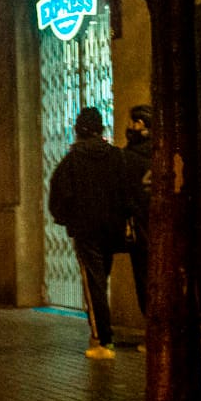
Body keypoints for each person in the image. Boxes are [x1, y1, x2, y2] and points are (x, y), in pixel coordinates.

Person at [48, 107, 135, 358]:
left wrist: (66, 220)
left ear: (78, 130)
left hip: (87, 231)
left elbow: (59, 196)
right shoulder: (117, 157)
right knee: (101, 278)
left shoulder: (72, 161)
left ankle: (102, 339)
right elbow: (127, 194)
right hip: (112, 230)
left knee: (94, 283)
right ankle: (103, 334)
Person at [119, 105, 155, 318]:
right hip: (162, 228)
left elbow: (121, 192)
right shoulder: (160, 152)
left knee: (144, 278)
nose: (130, 126)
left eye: (134, 122)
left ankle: (152, 329)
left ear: (140, 124)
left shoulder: (127, 156)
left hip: (139, 226)